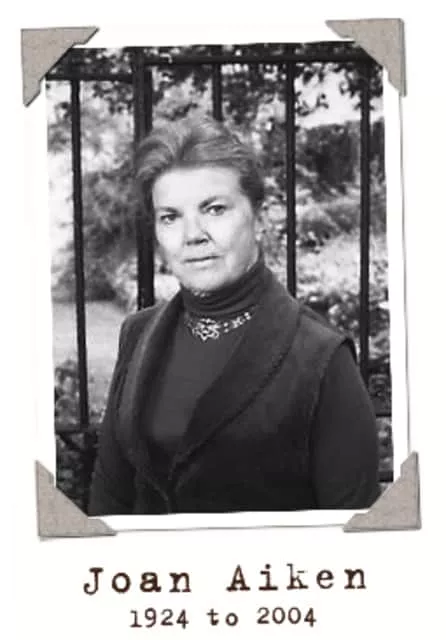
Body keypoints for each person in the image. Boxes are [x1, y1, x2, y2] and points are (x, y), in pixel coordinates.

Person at [88, 115, 381, 516]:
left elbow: (356, 533)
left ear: (259, 216)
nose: (192, 235)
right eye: (170, 216)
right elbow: (110, 497)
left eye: (214, 209)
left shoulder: (321, 357)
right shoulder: (137, 333)